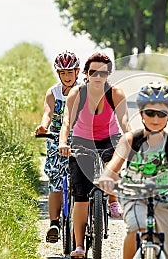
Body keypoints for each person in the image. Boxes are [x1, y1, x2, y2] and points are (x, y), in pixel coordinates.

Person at [99, 82, 168, 259]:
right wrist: (107, 176)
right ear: (141, 114)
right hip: (134, 194)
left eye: (161, 113)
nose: (155, 119)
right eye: (149, 113)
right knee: (137, 228)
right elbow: (115, 163)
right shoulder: (131, 140)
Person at [58, 52, 131, 258]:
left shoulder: (115, 93)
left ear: (108, 74)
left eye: (103, 73)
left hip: (109, 137)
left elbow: (124, 120)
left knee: (115, 158)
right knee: (80, 195)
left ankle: (112, 199)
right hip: (82, 139)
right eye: (93, 72)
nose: (97, 77)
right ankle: (79, 246)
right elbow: (66, 122)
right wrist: (64, 142)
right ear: (86, 74)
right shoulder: (77, 94)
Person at [35, 51, 81, 243]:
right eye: (63, 73)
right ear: (58, 74)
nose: (67, 76)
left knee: (83, 178)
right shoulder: (52, 92)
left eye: (70, 72)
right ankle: (54, 223)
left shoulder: (83, 90)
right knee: (55, 180)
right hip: (55, 138)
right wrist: (43, 126)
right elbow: (48, 113)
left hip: (80, 137)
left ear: (77, 71)